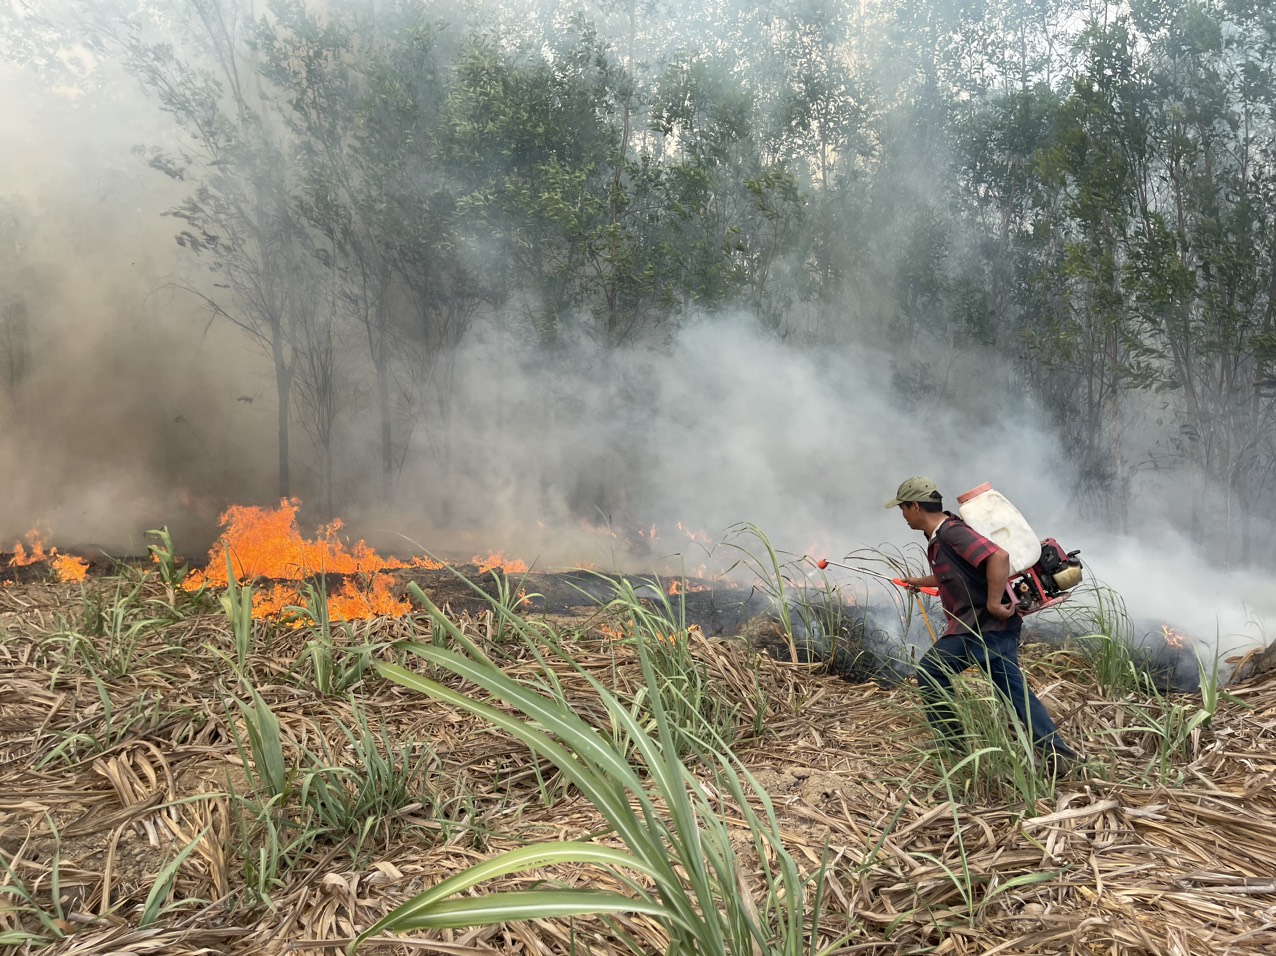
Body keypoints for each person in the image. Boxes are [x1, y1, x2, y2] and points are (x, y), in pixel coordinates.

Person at [885, 477, 1080, 774]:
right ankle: (1059, 757)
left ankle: (955, 747)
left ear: (915, 506)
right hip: (985, 628)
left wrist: (991, 603)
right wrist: (918, 582)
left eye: (903, 509)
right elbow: (955, 575)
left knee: (931, 671)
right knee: (1015, 694)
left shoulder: (951, 533)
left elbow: (998, 557)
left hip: (981, 627)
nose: (902, 516)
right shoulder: (940, 537)